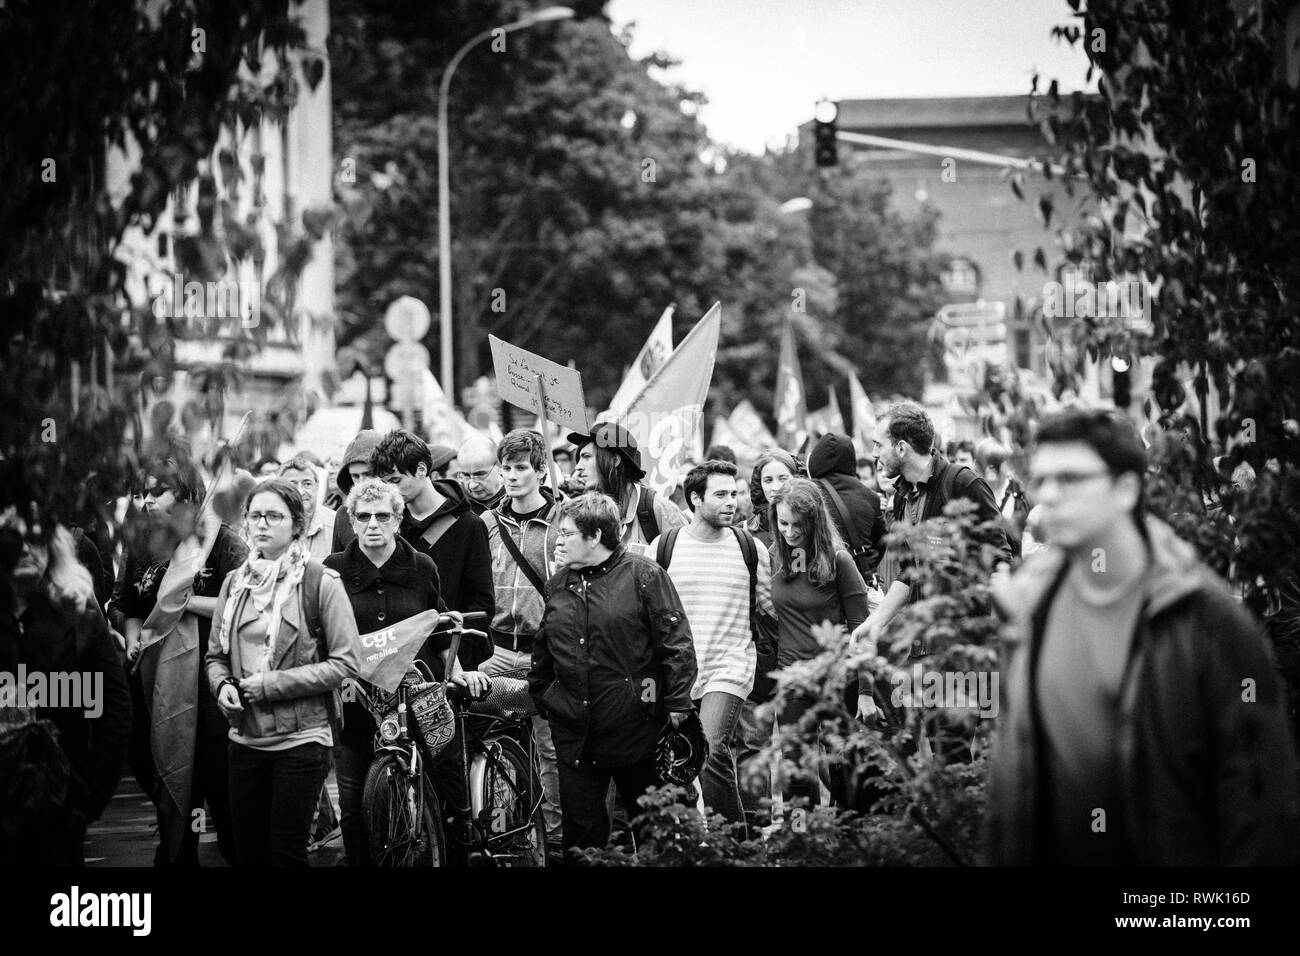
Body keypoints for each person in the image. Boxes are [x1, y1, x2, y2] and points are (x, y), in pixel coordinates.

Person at [986, 408, 1299, 865]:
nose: (1048, 496)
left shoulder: (1202, 617)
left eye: (1070, 479)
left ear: (1126, 489)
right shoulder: (1029, 601)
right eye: (1042, 480)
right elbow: (1010, 786)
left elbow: (1259, 808)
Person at [324, 477, 486, 865]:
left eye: (383, 515)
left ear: (398, 519)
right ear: (352, 520)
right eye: (363, 517)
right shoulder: (333, 570)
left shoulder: (421, 566)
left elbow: (441, 625)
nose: (373, 524)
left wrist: (458, 671)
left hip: (420, 696)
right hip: (357, 702)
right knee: (353, 802)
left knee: (446, 789)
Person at [529, 493, 698, 851]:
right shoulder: (558, 583)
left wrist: (677, 703)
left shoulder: (644, 575)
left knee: (654, 828)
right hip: (575, 731)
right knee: (582, 834)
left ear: (594, 537)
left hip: (636, 729)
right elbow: (544, 646)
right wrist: (544, 694)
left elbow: (676, 644)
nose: (558, 540)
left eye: (566, 533)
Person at [206, 479, 361, 867]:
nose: (262, 524)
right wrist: (222, 684)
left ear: (296, 524)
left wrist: (271, 685)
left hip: (303, 738)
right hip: (245, 736)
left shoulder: (319, 581)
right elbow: (215, 657)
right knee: (247, 853)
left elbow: (345, 662)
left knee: (285, 853)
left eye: (274, 516)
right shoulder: (234, 584)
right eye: (255, 515)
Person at [107, 455, 248, 867]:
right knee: (168, 782)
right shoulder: (140, 544)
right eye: (141, 493)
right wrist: (134, 637)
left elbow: (242, 601)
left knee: (219, 788)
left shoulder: (219, 541)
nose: (147, 502)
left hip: (210, 681)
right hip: (157, 682)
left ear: (186, 494)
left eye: (157, 492)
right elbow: (122, 604)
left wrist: (184, 603)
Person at [650, 460, 773, 837]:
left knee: (713, 747)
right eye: (721, 494)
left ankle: (736, 846)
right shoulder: (664, 547)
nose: (732, 502)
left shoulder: (750, 549)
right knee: (680, 762)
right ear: (694, 499)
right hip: (679, 672)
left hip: (731, 666)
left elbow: (769, 608)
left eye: (734, 493)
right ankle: (689, 841)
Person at [0, 512, 130, 866]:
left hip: (58, 814)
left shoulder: (77, 612)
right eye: (14, 538)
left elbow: (115, 710)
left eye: (37, 537)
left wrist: (86, 801)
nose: (26, 548)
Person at [856, 402, 1010, 648]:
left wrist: (994, 640)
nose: (874, 454)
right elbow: (908, 574)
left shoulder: (963, 484)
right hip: (926, 647)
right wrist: (874, 622)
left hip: (968, 647)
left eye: (878, 445)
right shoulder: (900, 498)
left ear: (901, 448)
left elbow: (1000, 562)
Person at [477, 429, 563, 850]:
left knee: (552, 758)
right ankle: (492, 836)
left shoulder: (564, 520)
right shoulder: (487, 523)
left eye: (520, 468)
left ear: (541, 470)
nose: (511, 476)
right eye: (506, 468)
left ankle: (558, 847)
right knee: (478, 741)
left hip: (542, 658)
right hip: (494, 653)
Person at [767, 479, 871, 808]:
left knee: (842, 762)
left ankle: (848, 834)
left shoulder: (838, 560)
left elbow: (861, 627)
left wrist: (866, 691)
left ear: (814, 522)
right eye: (783, 523)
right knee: (796, 766)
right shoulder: (775, 556)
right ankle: (801, 838)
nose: (790, 531)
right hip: (793, 677)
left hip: (837, 676)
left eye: (798, 525)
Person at [370, 430, 494, 670]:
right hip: (393, 661)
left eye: (395, 480)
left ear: (421, 469)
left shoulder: (469, 525)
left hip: (450, 662)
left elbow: (480, 606)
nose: (390, 490)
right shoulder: (386, 523)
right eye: (384, 483)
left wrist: (455, 664)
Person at [566, 422, 687, 555]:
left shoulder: (657, 508)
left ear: (615, 461)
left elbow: (685, 563)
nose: (578, 466)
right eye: (578, 459)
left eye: (586, 457)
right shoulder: (579, 509)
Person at [807, 432, 886, 583]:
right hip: (862, 582)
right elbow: (882, 540)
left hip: (822, 581)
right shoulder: (870, 496)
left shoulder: (808, 493)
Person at [976, 438, 1031, 560]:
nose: (991, 470)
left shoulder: (1020, 495)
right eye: (988, 465)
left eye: (996, 464)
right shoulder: (975, 491)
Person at [330, 429, 383, 554]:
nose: (361, 482)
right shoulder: (344, 514)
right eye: (355, 476)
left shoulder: (403, 509)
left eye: (368, 474)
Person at [279, 454, 335, 562]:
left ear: (317, 486)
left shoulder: (337, 524)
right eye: (293, 485)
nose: (300, 491)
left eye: (307, 484)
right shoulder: (269, 525)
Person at [747, 450, 800, 548]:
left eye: (782, 478)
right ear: (759, 485)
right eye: (768, 480)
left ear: (797, 479)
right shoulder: (745, 534)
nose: (775, 487)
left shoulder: (814, 526)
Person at [455, 434, 506, 516]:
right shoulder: (455, 504)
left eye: (480, 474)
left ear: (499, 466)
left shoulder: (518, 497)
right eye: (466, 475)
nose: (472, 485)